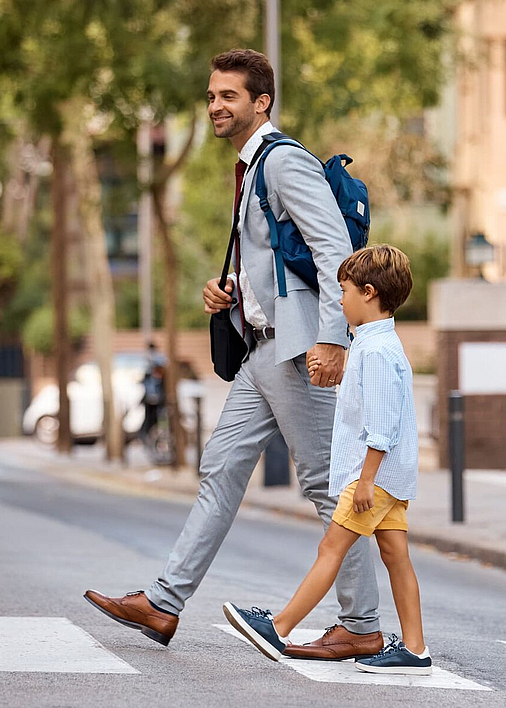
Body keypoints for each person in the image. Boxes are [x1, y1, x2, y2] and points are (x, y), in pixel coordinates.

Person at [84, 49, 383, 658]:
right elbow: (276, 259)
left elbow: (333, 254)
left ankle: (362, 623)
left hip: (296, 351)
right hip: (263, 351)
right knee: (219, 470)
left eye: (229, 97)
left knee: (328, 485)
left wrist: (332, 336)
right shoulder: (251, 169)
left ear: (261, 102)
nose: (216, 106)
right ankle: (165, 602)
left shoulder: (283, 163)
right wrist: (231, 293)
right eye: (212, 96)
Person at [224, 245, 431, 675]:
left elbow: (381, 425)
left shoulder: (373, 353)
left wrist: (367, 480)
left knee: (330, 548)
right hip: (392, 477)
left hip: (373, 477)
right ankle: (415, 649)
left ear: (369, 293)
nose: (339, 301)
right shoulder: (382, 344)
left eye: (345, 291)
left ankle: (278, 628)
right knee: (396, 555)